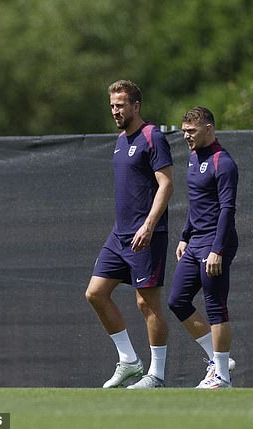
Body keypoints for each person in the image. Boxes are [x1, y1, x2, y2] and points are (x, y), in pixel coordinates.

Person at [85, 80, 173, 389]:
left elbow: (166, 184)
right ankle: (129, 361)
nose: (115, 111)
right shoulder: (121, 140)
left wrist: (148, 225)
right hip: (119, 235)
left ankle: (157, 375)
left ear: (136, 106)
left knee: (146, 303)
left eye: (120, 105)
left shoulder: (153, 137)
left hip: (146, 234)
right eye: (112, 105)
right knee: (95, 293)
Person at [168, 106, 238, 388]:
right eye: (184, 131)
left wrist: (217, 250)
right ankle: (217, 359)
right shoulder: (194, 157)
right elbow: (196, 203)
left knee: (215, 305)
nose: (187, 136)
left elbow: (227, 209)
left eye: (192, 131)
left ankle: (222, 376)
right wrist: (185, 236)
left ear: (209, 129)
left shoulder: (224, 162)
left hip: (215, 243)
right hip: (195, 242)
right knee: (177, 300)